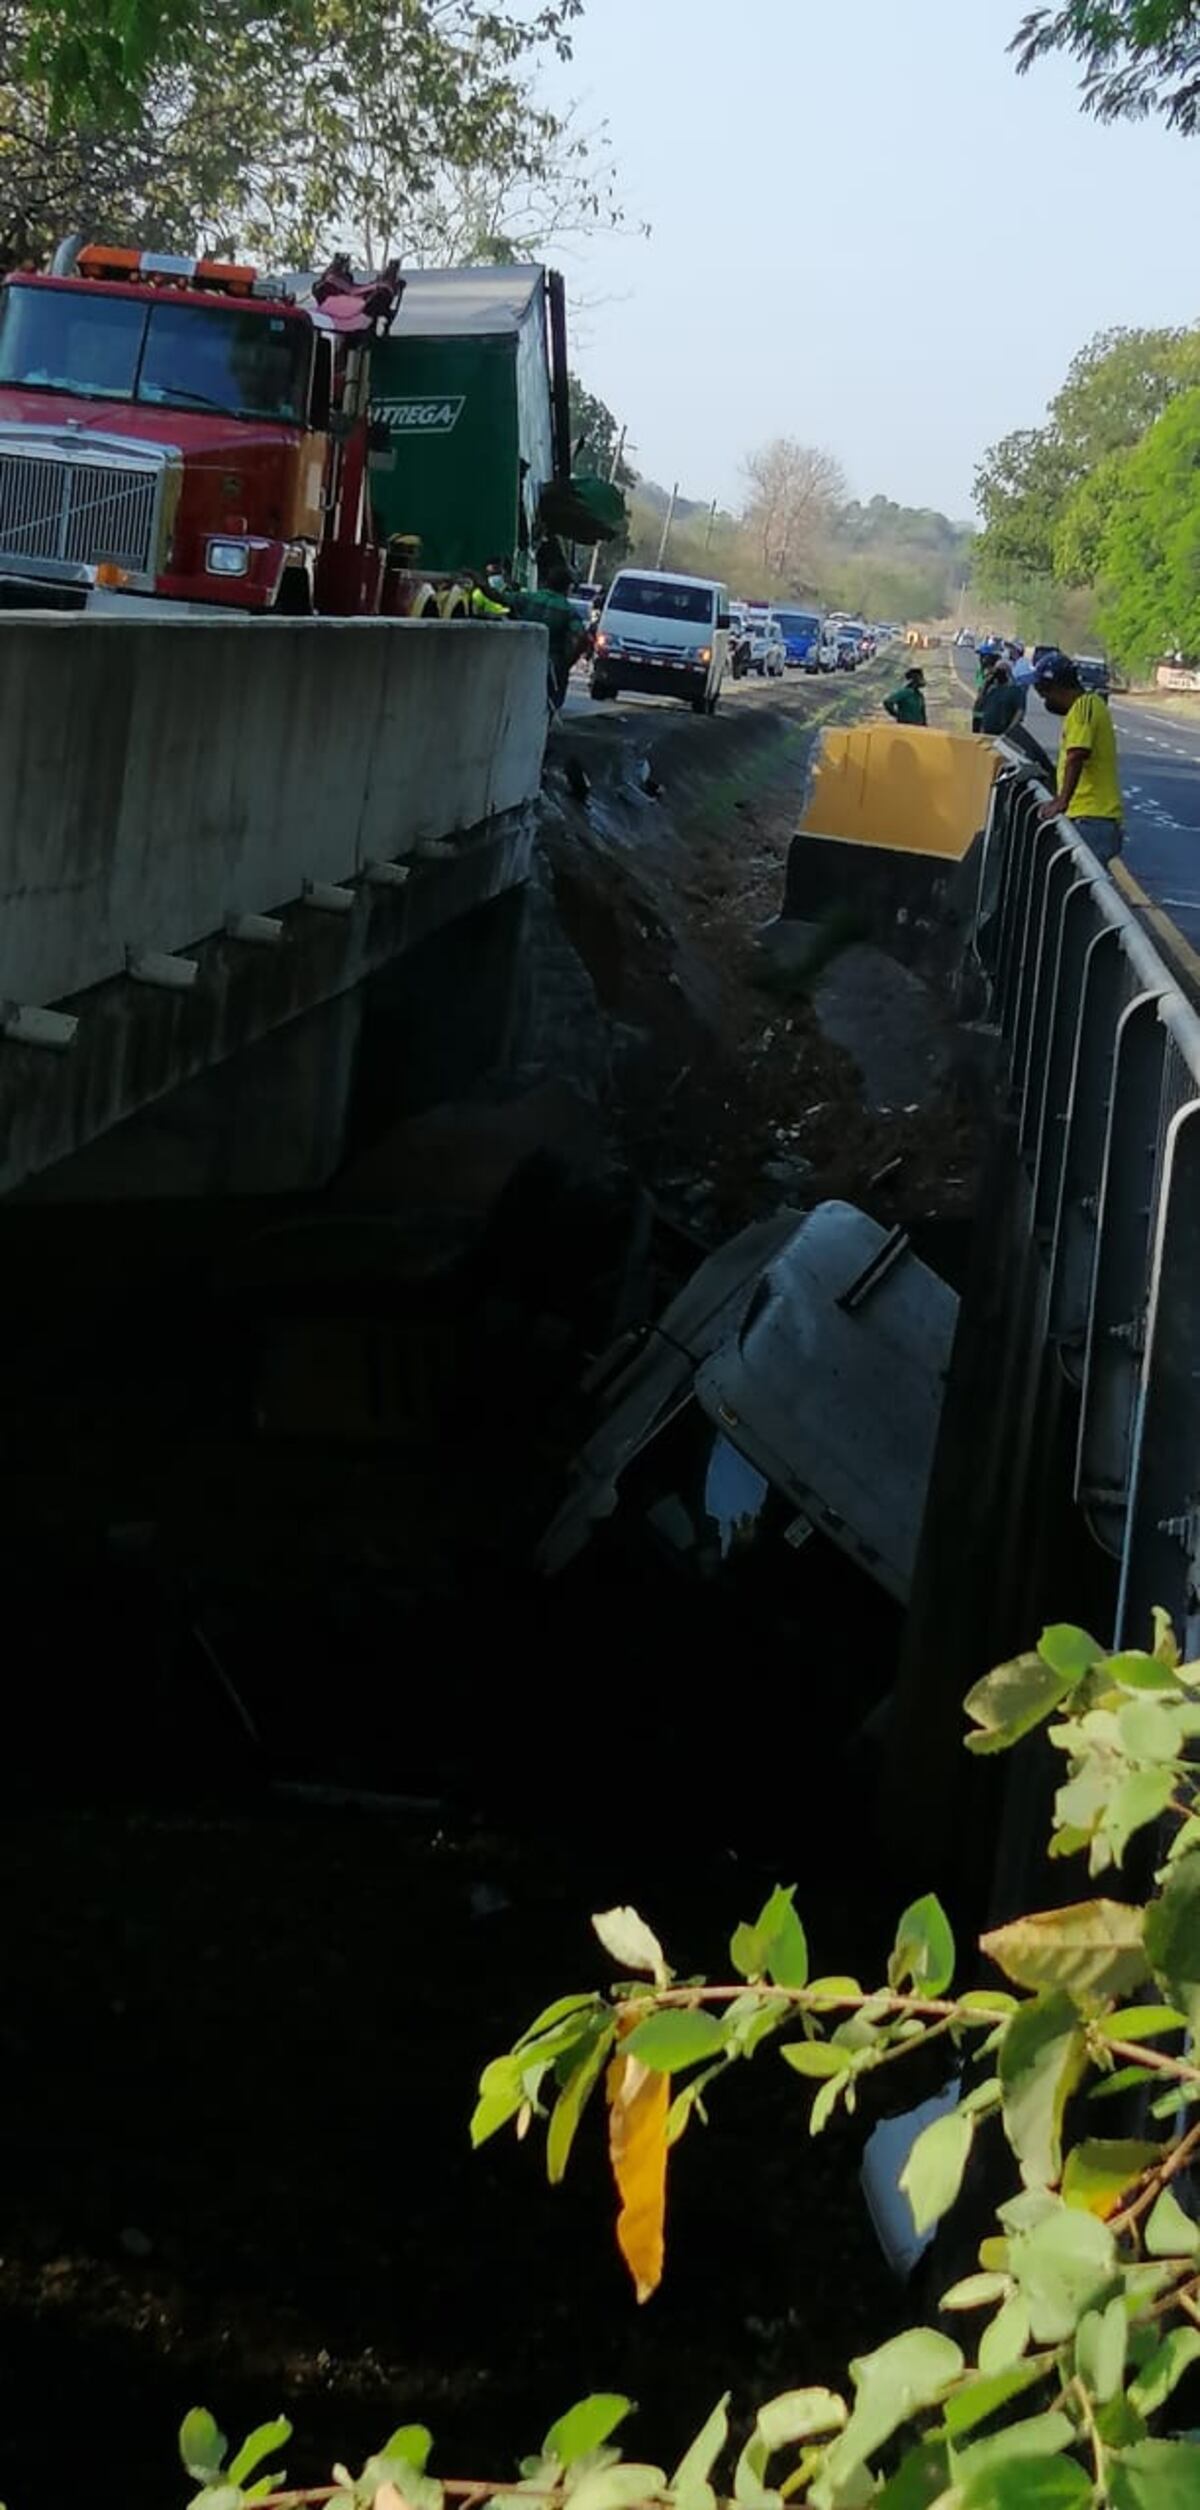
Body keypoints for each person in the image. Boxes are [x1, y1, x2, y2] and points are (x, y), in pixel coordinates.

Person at [1033, 652, 1123, 865]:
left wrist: (1061, 801)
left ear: (1057, 687)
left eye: (1044, 693)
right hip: (1088, 818)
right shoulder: (1082, 708)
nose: (1044, 700)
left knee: (1079, 887)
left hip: (1092, 819)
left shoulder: (1084, 707)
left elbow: (1077, 754)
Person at [972, 656, 1024, 738]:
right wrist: (986, 684)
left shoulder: (1016, 691)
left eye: (1002, 670)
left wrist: (1009, 731)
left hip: (1002, 732)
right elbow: (979, 705)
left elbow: (1019, 712)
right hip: (986, 731)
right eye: (997, 670)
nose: (999, 673)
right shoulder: (992, 689)